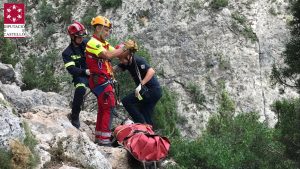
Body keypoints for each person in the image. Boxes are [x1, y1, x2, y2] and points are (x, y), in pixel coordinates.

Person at [85, 15, 137, 146]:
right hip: (99, 80)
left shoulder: (103, 44)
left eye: (108, 31)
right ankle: (104, 140)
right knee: (109, 106)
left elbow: (118, 54)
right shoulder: (93, 43)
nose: (108, 33)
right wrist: (125, 48)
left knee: (104, 107)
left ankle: (99, 136)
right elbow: (108, 55)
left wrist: (128, 49)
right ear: (98, 28)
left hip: (103, 80)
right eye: (106, 30)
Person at [114, 43, 162, 127]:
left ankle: (142, 125)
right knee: (145, 113)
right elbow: (115, 69)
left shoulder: (138, 60)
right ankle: (149, 133)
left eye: (122, 59)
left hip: (152, 90)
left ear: (128, 55)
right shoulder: (127, 63)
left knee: (127, 101)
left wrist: (140, 85)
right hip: (152, 92)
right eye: (119, 59)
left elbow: (151, 71)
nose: (121, 61)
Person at [62, 21, 90, 129]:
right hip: (80, 76)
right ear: (72, 37)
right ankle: (75, 116)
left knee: (103, 90)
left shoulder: (87, 43)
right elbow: (71, 69)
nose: (81, 38)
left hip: (93, 73)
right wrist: (84, 72)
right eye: (79, 36)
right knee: (80, 89)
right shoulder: (67, 53)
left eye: (82, 36)